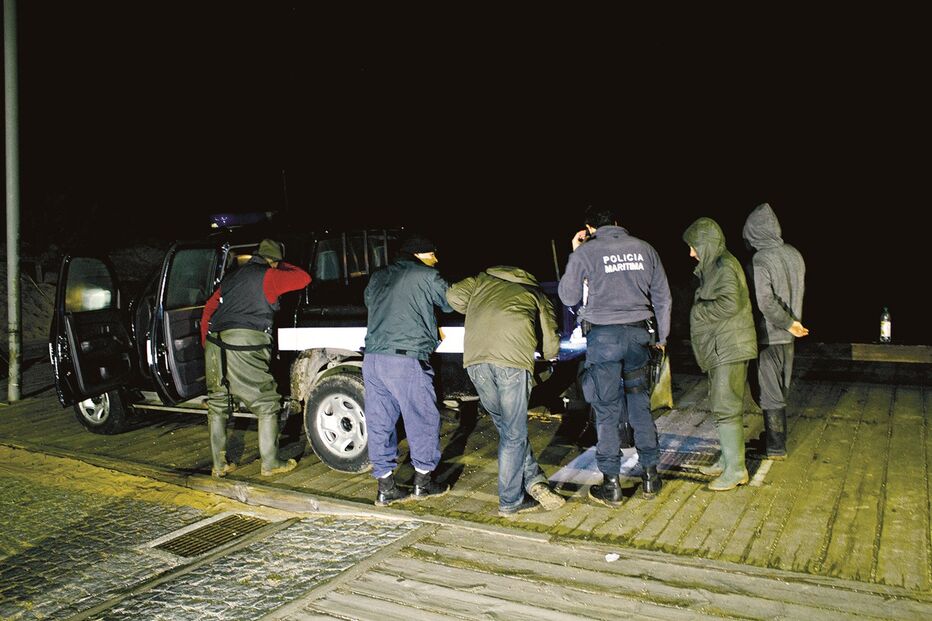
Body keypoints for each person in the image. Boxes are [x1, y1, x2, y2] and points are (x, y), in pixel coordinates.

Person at [558, 206, 672, 506]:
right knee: (640, 405)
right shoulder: (645, 248)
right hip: (638, 337)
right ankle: (650, 476)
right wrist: (662, 338)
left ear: (588, 228)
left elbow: (568, 296)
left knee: (607, 409)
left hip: (604, 339)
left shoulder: (586, 253)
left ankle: (611, 485)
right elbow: (663, 296)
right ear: (618, 223)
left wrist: (575, 253)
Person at [447, 266, 567, 517]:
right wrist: (550, 355)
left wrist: (476, 307)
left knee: (507, 427)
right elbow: (550, 337)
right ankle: (511, 501)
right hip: (512, 362)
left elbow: (453, 296)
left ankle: (534, 479)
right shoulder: (535, 292)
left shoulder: (482, 279)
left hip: (476, 361)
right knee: (513, 433)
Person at [200, 238, 311, 478]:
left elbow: (208, 309)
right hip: (243, 342)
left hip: (215, 343)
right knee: (267, 403)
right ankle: (271, 463)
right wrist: (282, 265)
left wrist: (207, 345)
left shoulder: (231, 277)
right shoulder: (269, 276)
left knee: (218, 404)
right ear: (274, 260)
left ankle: (219, 465)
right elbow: (303, 278)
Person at [362, 233, 453, 506]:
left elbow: (371, 302)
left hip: (373, 359)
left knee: (379, 422)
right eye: (432, 254)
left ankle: (385, 488)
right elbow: (450, 302)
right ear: (419, 254)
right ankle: (423, 483)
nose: (436, 259)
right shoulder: (426, 275)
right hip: (405, 359)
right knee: (422, 418)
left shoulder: (378, 276)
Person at [683, 217, 757, 491]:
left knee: (726, 408)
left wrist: (698, 311)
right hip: (723, 346)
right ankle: (728, 459)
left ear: (706, 244)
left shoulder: (724, 267)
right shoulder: (716, 265)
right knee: (721, 405)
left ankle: (736, 470)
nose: (691, 253)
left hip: (730, 347)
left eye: (694, 247)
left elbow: (729, 304)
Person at [742, 203, 809, 459]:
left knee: (769, 391)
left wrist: (786, 323)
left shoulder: (760, 260)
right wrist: (793, 325)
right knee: (780, 388)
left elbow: (766, 302)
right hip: (791, 335)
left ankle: (775, 446)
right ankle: (772, 437)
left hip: (770, 334)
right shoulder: (795, 254)